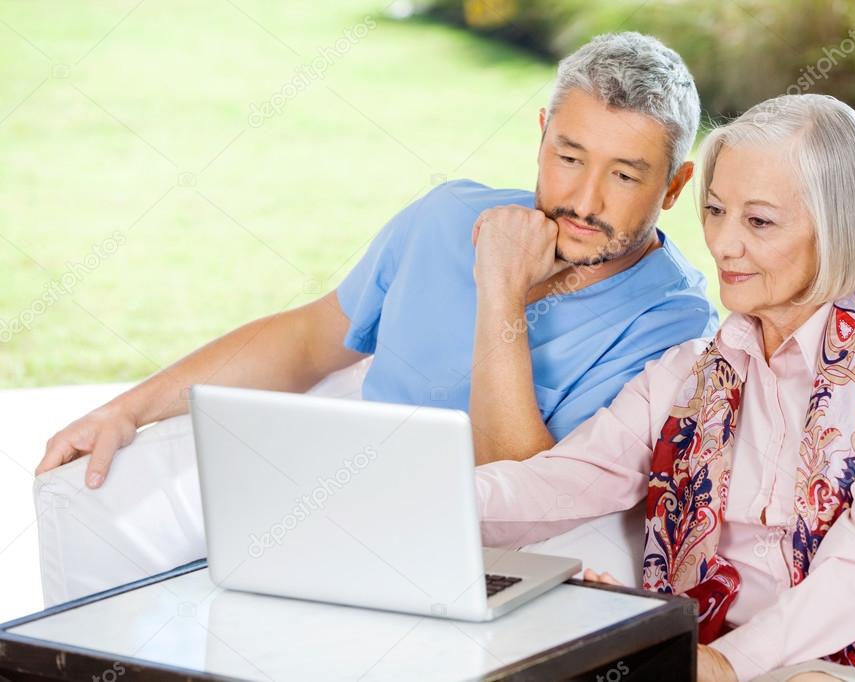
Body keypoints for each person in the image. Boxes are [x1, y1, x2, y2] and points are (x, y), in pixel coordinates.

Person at [475, 94, 855, 682]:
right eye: (716, 210)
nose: (724, 244)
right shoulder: (690, 369)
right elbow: (565, 479)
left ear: (837, 228)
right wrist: (430, 499)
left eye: (759, 221)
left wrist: (726, 664)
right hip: (720, 653)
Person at [36, 32, 717, 487]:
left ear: (674, 187)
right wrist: (126, 409)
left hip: (504, 567)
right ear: (541, 137)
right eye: (568, 158)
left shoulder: (676, 325)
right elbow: (307, 341)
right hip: (343, 511)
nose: (583, 199)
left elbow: (517, 490)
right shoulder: (447, 217)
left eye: (624, 176)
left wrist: (500, 290)